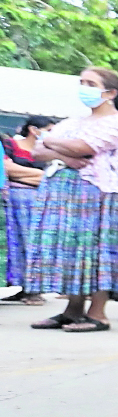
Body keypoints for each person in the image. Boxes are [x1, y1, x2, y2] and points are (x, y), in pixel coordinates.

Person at [24, 69, 118, 332]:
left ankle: (98, 314)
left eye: (91, 84)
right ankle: (72, 310)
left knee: (98, 251)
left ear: (111, 93)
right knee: (72, 252)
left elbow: (83, 148)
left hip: (100, 194)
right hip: (67, 194)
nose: (84, 88)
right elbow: (38, 152)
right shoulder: (74, 122)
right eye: (82, 83)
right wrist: (65, 156)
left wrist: (51, 140)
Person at [2, 115, 52, 305]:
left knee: (36, 244)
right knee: (15, 243)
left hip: (39, 203)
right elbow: (7, 168)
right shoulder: (11, 145)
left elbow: (54, 174)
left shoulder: (47, 151)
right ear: (34, 130)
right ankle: (22, 286)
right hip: (14, 202)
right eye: (49, 129)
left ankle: (34, 289)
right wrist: (41, 176)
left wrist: (21, 176)